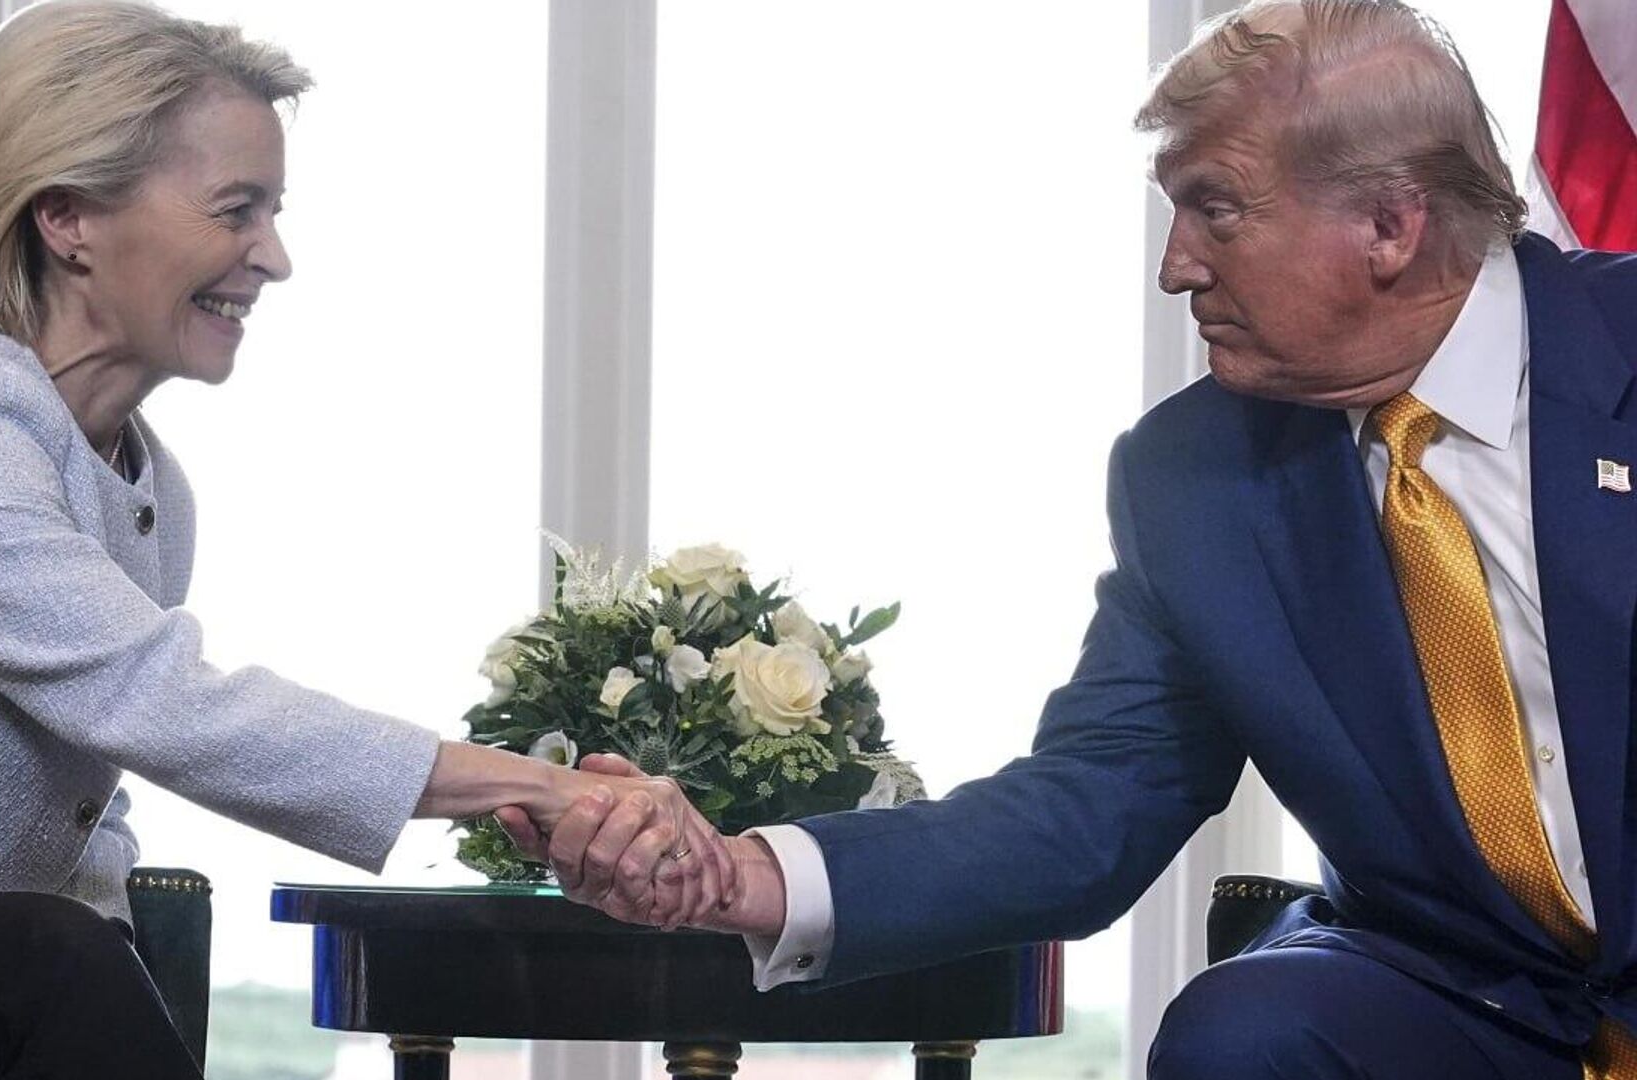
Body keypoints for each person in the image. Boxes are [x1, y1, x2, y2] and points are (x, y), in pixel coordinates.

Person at [508, 2, 1637, 1076]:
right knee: (1245, 1035)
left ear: (1389, 225)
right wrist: (743, 873)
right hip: (1468, 1002)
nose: (1176, 266)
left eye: (1217, 209)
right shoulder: (1192, 477)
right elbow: (1093, 803)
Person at [0, 3, 732, 1077]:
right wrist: (540, 787)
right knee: (50, 961)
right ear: (67, 217)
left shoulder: (151, 488)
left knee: (69, 953)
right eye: (236, 209)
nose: (274, 258)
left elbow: (78, 808)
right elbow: (159, 701)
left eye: (273, 213)